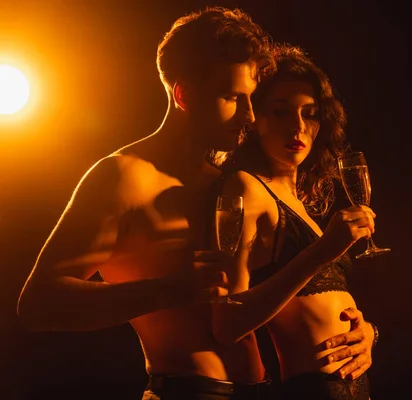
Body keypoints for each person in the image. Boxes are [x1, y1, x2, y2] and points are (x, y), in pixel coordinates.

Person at [16, 6, 375, 400]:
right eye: (232, 97)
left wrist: (362, 333)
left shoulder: (228, 180)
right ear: (183, 93)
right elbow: (39, 304)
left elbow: (284, 296)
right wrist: (171, 290)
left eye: (252, 99)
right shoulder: (124, 177)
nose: (250, 116)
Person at [211, 43, 378, 399]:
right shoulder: (246, 187)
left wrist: (368, 333)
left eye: (310, 113)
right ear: (256, 119)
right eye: (282, 112)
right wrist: (322, 252)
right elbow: (228, 323)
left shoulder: (297, 202)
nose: (298, 127)